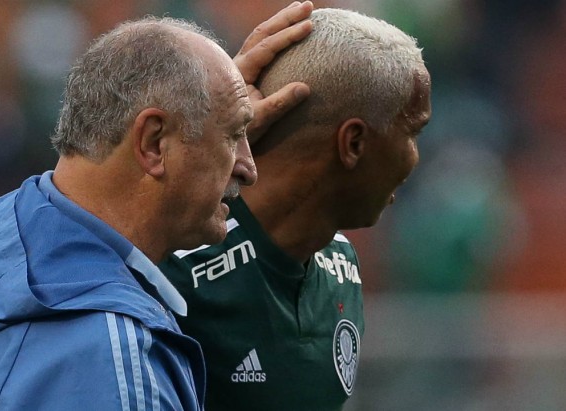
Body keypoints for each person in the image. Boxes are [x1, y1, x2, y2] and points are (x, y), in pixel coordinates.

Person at [0, 10, 313, 410]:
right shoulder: (116, 363)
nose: (249, 168)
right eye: (234, 135)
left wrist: (211, 108)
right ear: (153, 143)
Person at [160, 7, 432, 411]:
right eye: (412, 132)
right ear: (354, 143)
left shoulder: (341, 265)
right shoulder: (169, 266)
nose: (416, 158)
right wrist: (203, 132)